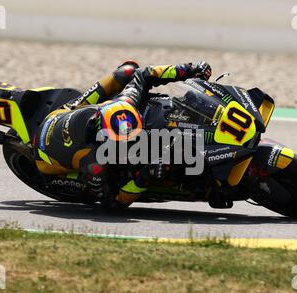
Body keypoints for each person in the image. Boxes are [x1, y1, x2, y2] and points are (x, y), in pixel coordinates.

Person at [33, 61, 212, 206]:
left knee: (128, 71)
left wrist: (190, 69)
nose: (136, 139)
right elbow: (113, 201)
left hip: (61, 112)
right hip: (45, 158)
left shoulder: (126, 100)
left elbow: (145, 73)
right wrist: (143, 179)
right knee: (111, 180)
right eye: (127, 141)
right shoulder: (94, 162)